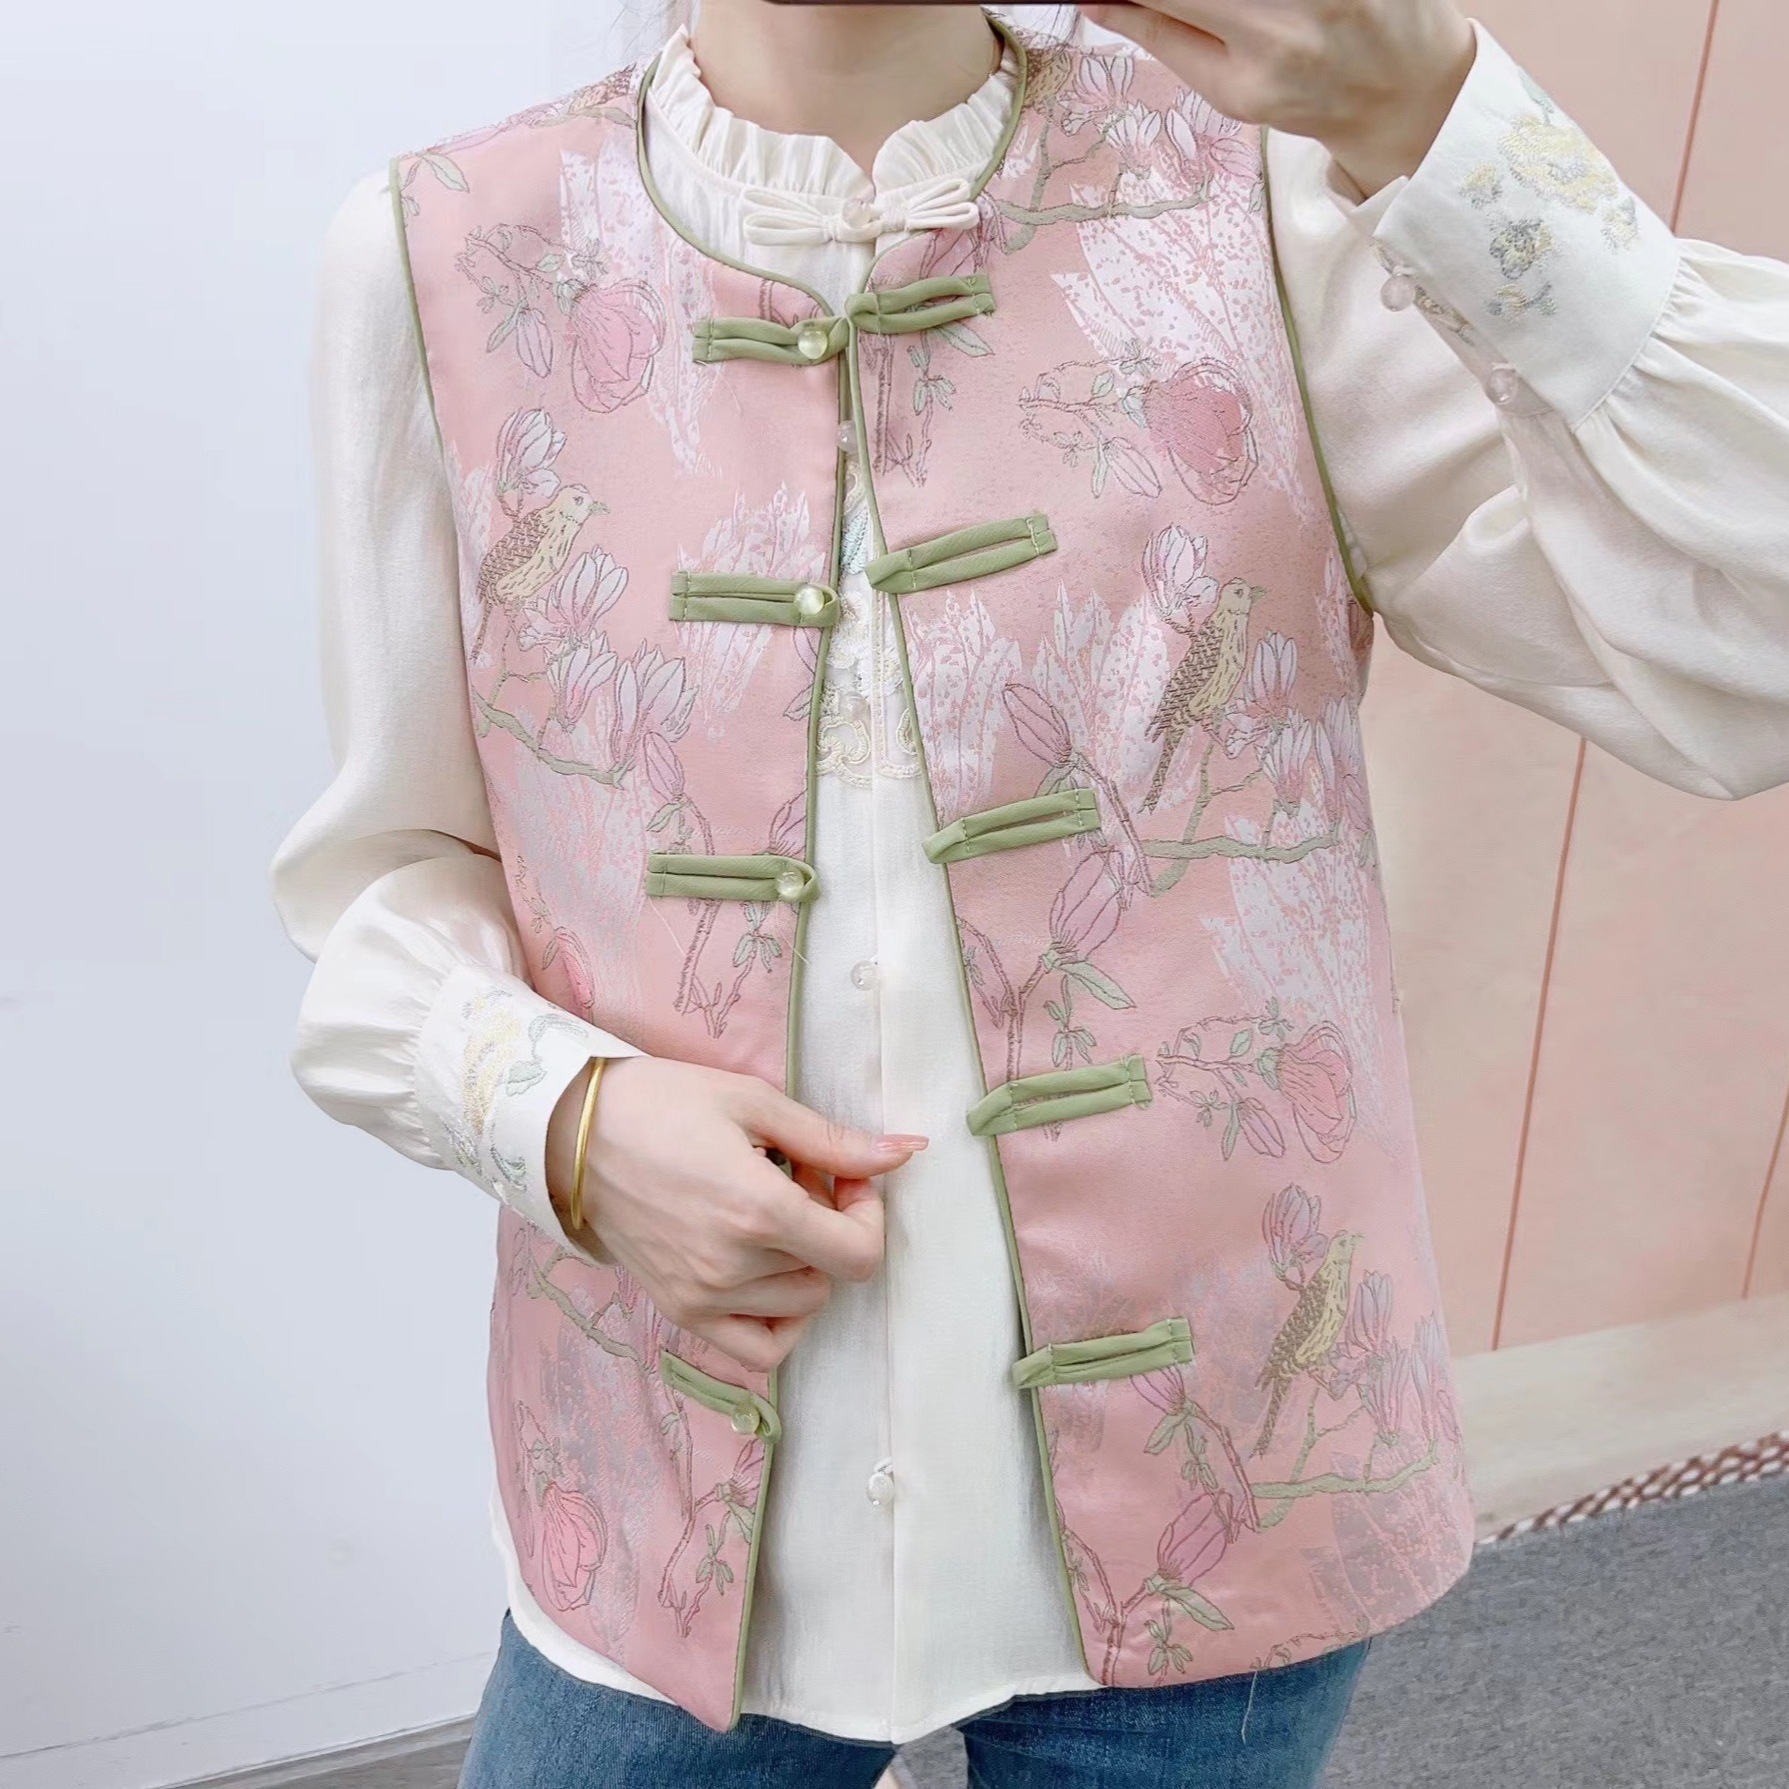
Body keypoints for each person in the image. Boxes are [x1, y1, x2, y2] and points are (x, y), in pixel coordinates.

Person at [271, 1, 1789, 1783]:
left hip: (1223, 1467)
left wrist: (1446, 127)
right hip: (663, 1490)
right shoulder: (444, 249)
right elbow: (392, 872)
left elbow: (1745, 652)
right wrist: (568, 1121)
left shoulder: (1265, 202)